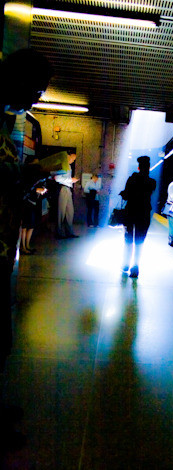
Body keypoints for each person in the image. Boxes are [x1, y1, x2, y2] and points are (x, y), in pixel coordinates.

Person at [0, 48, 52, 372]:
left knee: (2, 340)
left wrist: (26, 180)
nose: (32, 102)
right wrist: (26, 175)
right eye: (34, 91)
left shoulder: (5, 131)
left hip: (3, 252)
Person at [120, 156, 156, 278]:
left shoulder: (132, 179)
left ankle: (125, 264)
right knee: (139, 241)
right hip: (144, 213)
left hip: (130, 212)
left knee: (128, 239)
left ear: (138, 167)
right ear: (149, 168)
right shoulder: (152, 182)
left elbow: (126, 195)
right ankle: (135, 268)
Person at [52, 150, 79, 239]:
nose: (73, 160)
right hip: (63, 188)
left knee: (69, 212)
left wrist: (71, 181)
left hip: (67, 188)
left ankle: (68, 231)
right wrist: (71, 180)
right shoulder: (63, 165)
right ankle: (59, 232)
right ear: (68, 156)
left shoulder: (68, 167)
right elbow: (57, 178)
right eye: (73, 158)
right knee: (61, 212)